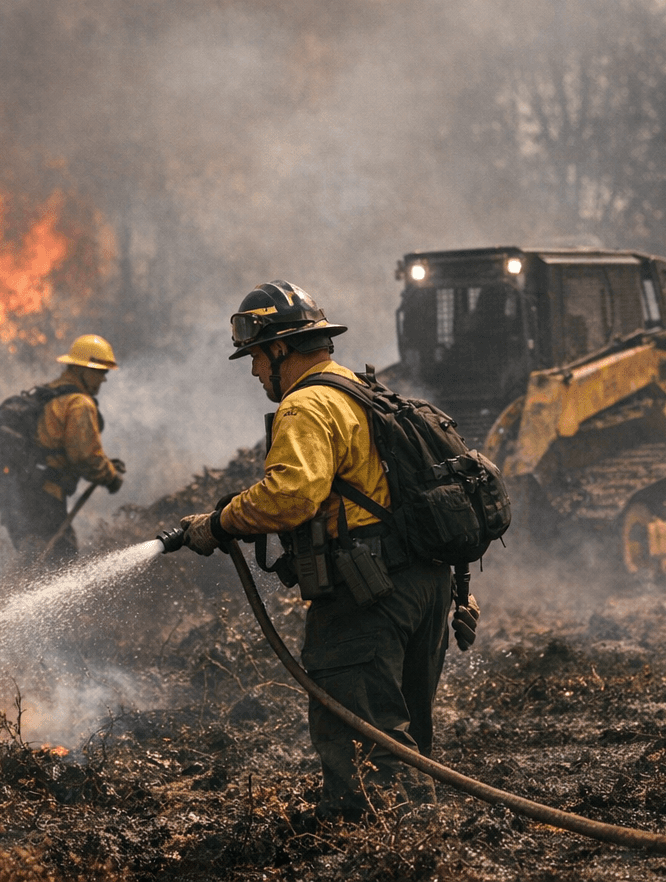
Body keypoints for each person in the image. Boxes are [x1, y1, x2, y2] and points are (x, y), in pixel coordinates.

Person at [175, 280, 475, 820]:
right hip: (425, 587)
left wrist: (218, 523)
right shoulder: (370, 394)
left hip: (369, 592)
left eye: (255, 356)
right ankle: (421, 840)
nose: (252, 371)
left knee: (357, 727)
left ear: (280, 349)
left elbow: (291, 496)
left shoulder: (308, 406)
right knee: (402, 732)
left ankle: (372, 845)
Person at [0, 335, 124, 564]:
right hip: (43, 498)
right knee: (61, 563)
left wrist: (107, 465)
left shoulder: (49, 393)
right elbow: (84, 456)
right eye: (101, 372)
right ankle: (16, 599)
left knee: (35, 560)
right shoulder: (78, 403)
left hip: (16, 493)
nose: (104, 379)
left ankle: (11, 596)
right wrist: (110, 476)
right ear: (83, 369)